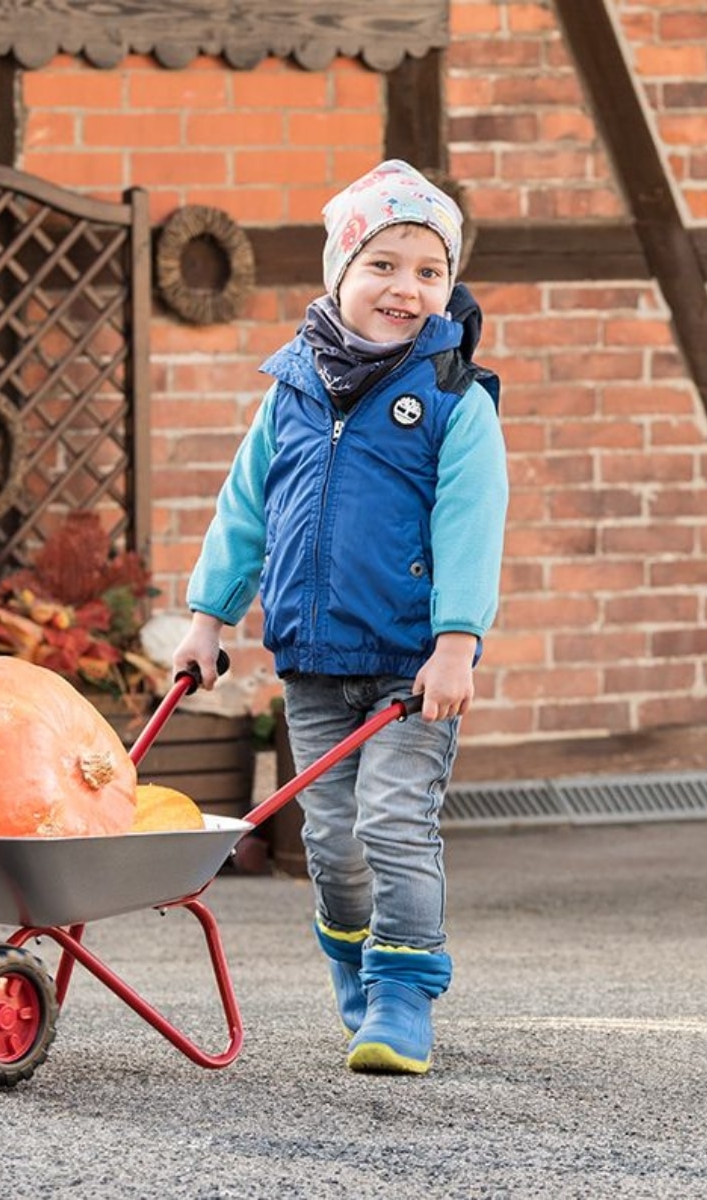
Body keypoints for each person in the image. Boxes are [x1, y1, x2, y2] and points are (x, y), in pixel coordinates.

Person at [172, 160, 509, 1075]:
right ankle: (358, 973)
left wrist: (457, 643)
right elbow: (244, 510)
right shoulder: (289, 392)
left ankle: (403, 996)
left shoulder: (453, 399)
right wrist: (208, 619)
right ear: (340, 273)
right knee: (330, 840)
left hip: (411, 669)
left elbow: (472, 526)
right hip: (314, 661)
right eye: (384, 264)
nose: (406, 287)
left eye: (429, 271)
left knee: (395, 824)